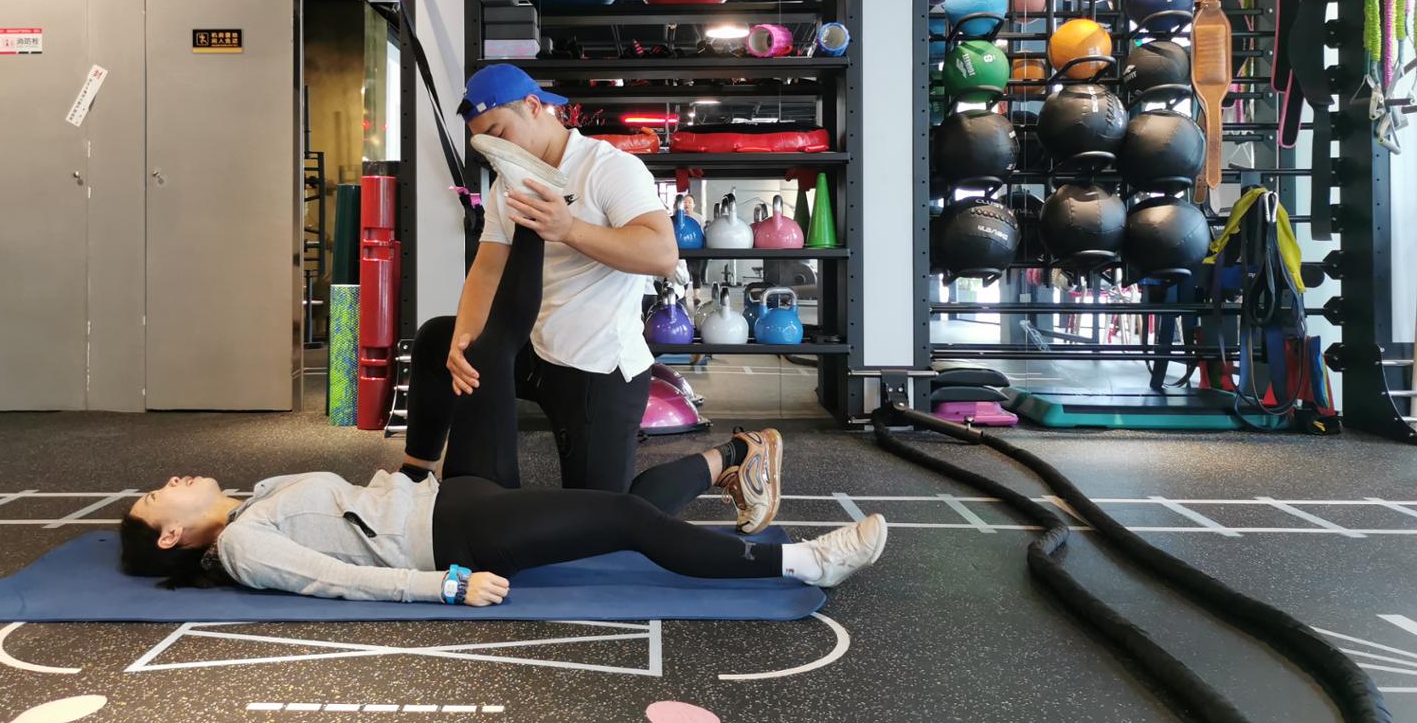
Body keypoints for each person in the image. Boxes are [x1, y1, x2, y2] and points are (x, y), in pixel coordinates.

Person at [119, 224, 887, 605]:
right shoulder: (243, 545)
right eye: (159, 495)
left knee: (481, 351)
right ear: (170, 535)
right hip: (456, 537)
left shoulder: (255, 499)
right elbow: (338, 579)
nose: (170, 480)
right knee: (626, 519)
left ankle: (525, 212)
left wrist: (411, 470)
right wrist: (446, 587)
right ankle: (803, 563)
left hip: (450, 497)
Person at [399, 61, 742, 512]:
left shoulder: (608, 168)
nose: (497, 150)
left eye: (500, 133)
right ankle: (412, 482)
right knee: (438, 340)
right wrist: (465, 341)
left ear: (532, 106)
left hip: (597, 365)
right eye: (487, 144)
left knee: (599, 520)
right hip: (536, 351)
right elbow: (487, 269)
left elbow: (662, 254)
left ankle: (733, 456)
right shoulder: (508, 183)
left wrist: (569, 229)